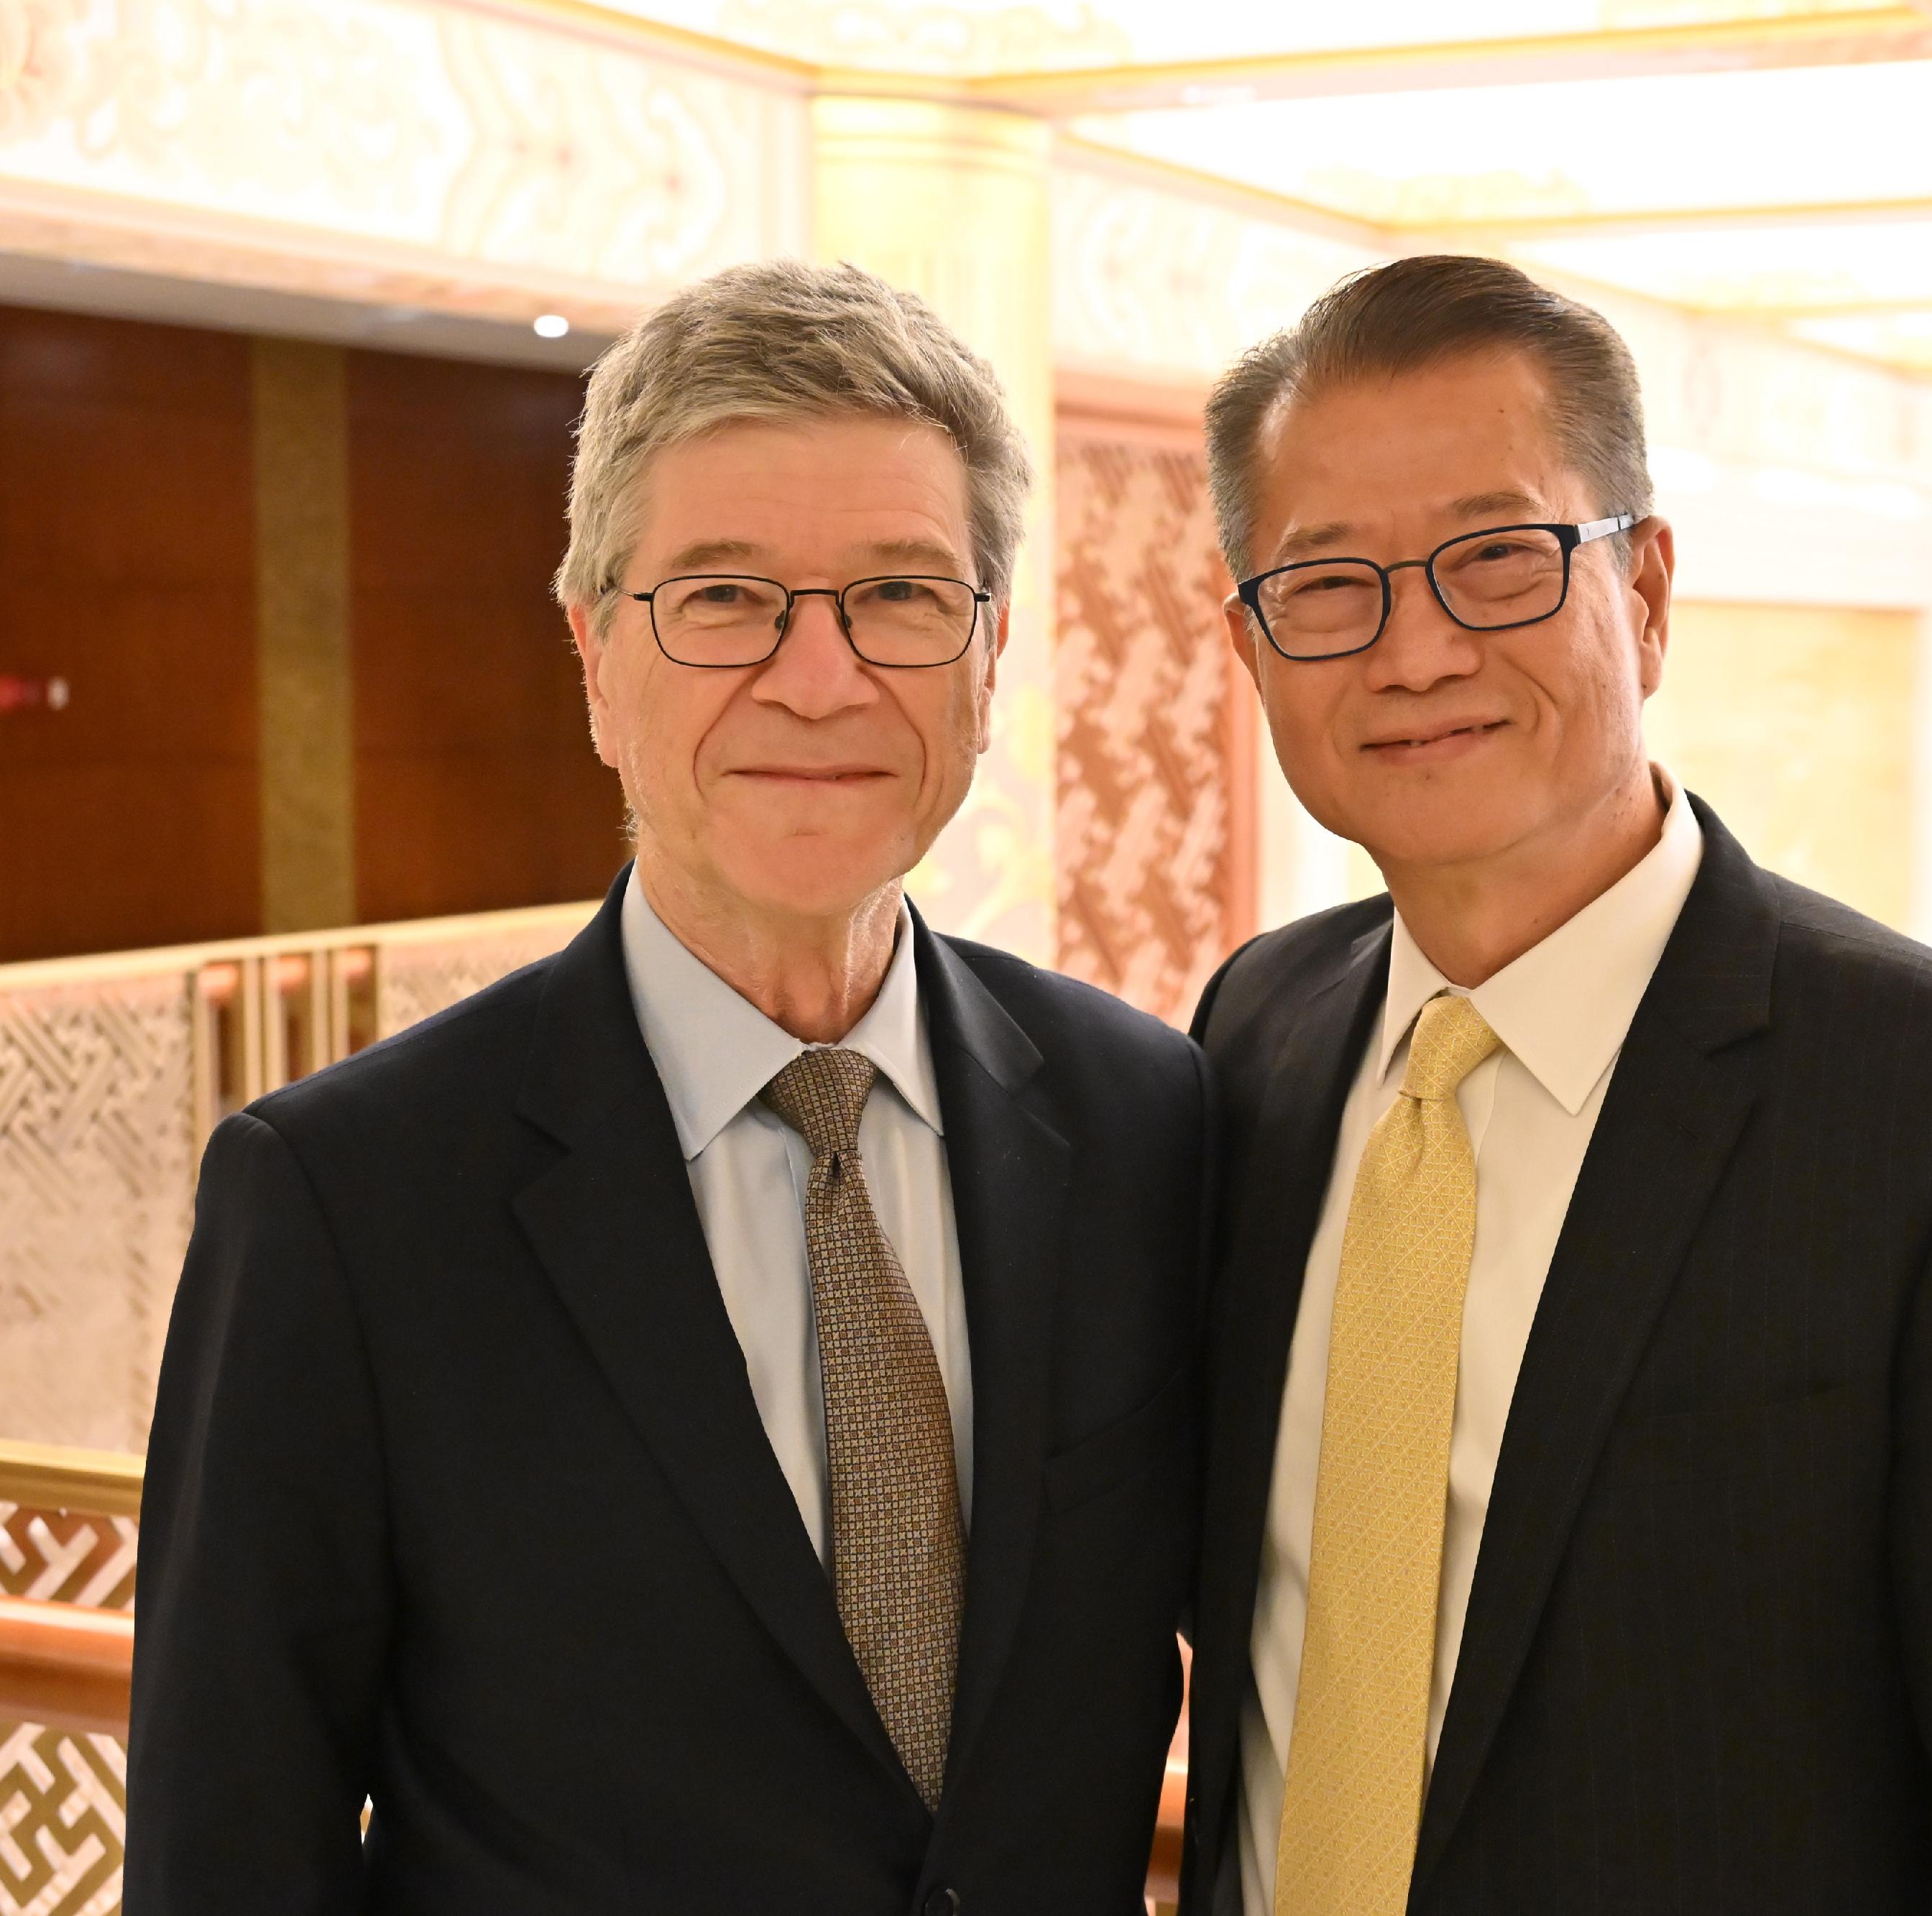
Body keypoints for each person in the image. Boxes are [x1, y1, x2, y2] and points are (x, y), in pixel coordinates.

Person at [130, 259, 1207, 1912]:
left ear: (988, 654)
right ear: (593, 657)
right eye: (722, 598)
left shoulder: (1145, 1117)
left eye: (901, 596)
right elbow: (230, 1855)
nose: (820, 677)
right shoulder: (347, 1199)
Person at [1180, 254, 1932, 1916]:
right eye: (1328, 585)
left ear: (1644, 592)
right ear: (1253, 645)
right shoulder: (1255, 1035)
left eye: (1495, 559)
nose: (1414, 648)